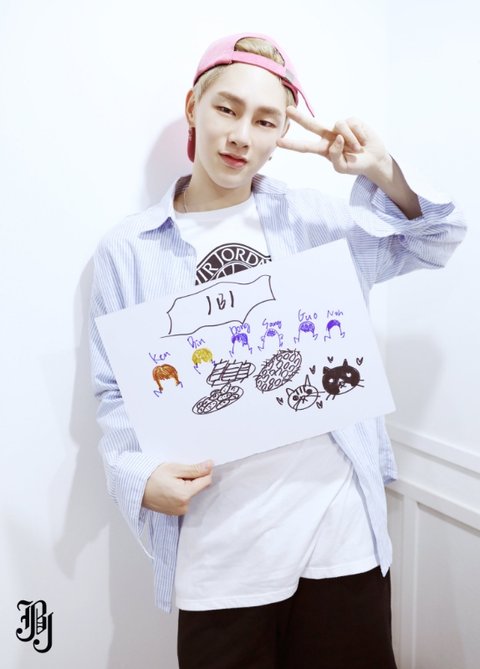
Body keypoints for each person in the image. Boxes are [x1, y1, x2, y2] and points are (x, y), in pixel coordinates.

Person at [89, 32, 466, 668]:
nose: (242, 136)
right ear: (193, 107)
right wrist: (139, 476)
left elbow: (435, 239)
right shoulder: (129, 249)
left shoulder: (316, 221)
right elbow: (114, 389)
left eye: (266, 120)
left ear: (284, 132)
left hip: (340, 538)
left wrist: (379, 168)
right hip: (220, 552)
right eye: (227, 109)